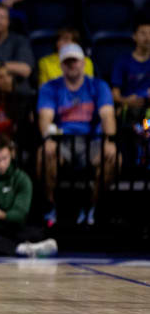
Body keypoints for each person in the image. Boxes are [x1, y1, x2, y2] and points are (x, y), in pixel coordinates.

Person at [37, 43, 117, 226]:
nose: (72, 65)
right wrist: (48, 139)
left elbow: (107, 115)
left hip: (92, 141)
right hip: (62, 140)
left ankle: (92, 206)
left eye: (75, 61)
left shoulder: (98, 85)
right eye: (67, 62)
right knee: (44, 155)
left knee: (113, 159)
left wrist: (110, 140)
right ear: (61, 65)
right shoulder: (50, 88)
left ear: (83, 63)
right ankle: (52, 206)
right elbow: (45, 116)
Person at [111, 19, 150, 124]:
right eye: (143, 33)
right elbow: (115, 94)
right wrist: (127, 101)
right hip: (129, 110)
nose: (147, 38)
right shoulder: (123, 61)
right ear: (134, 36)